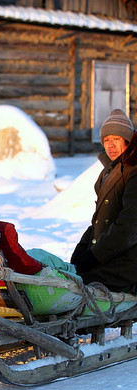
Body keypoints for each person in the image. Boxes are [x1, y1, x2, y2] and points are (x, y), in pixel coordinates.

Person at [71, 108, 137, 293]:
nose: (110, 145)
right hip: (109, 257)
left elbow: (129, 227)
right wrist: (81, 250)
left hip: (127, 266)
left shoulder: (133, 171)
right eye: (106, 140)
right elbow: (98, 220)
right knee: (66, 276)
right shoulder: (107, 173)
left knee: (76, 286)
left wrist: (94, 256)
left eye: (116, 139)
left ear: (127, 140)